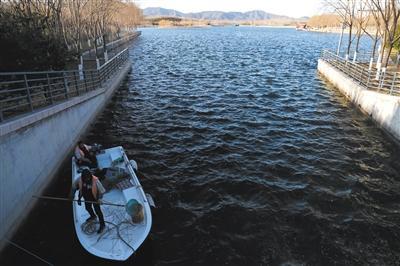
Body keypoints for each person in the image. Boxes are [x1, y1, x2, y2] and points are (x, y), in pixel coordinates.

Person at [78, 169, 105, 234]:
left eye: (88, 177)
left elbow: (102, 191)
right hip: (86, 198)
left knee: (98, 212)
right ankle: (93, 216)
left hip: (95, 199)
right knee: (87, 208)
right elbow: (81, 190)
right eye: (85, 178)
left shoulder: (95, 180)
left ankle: (102, 225)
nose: (87, 179)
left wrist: (99, 199)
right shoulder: (81, 180)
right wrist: (79, 198)